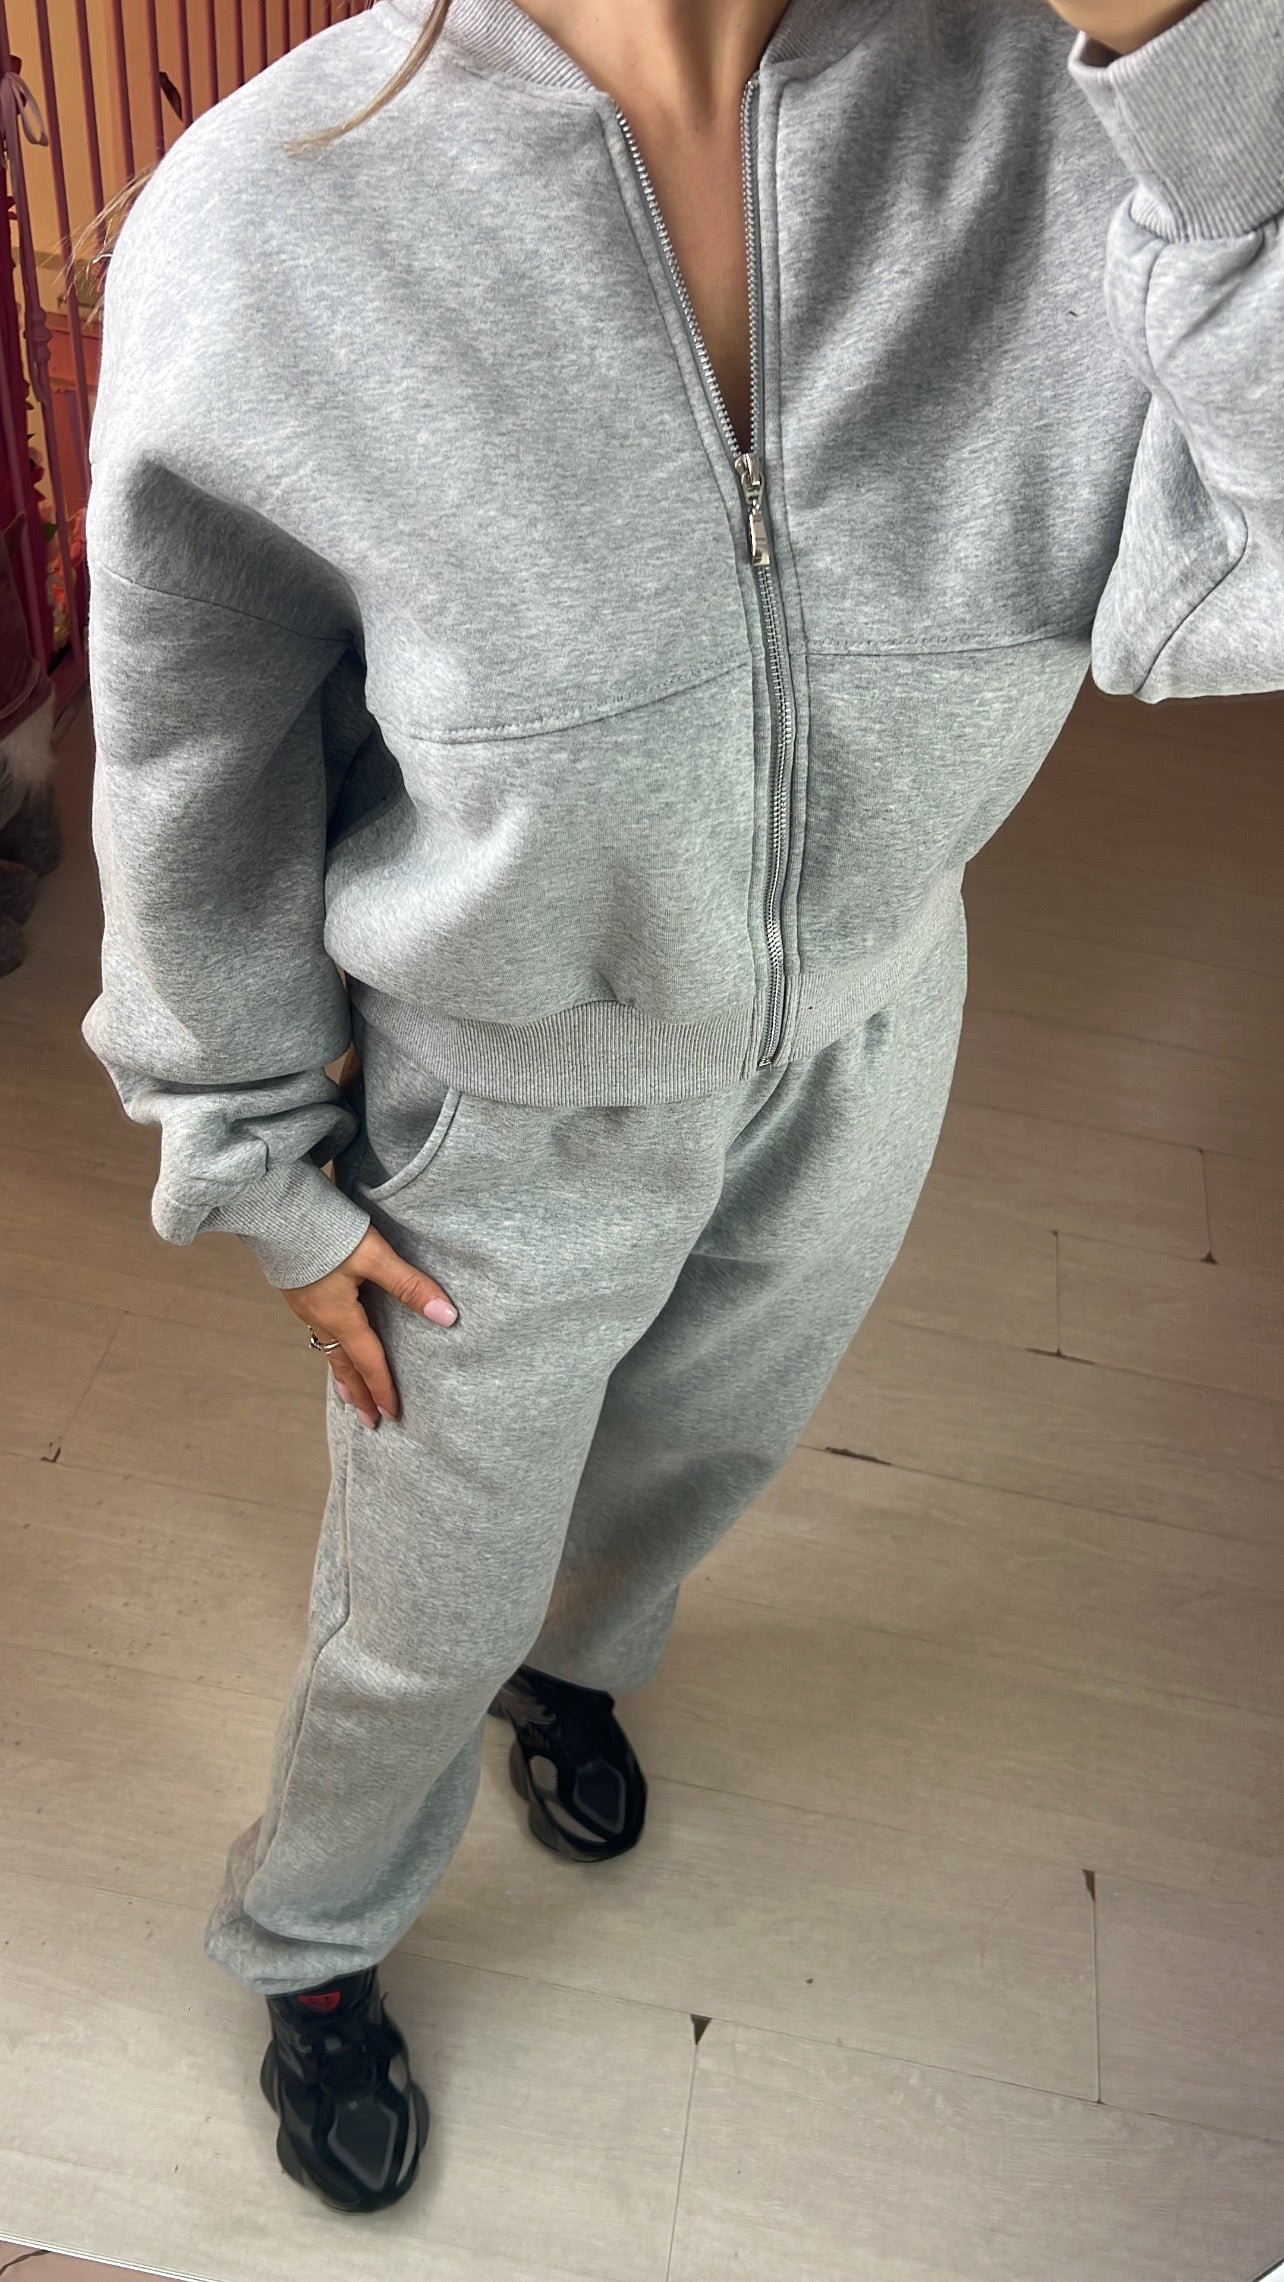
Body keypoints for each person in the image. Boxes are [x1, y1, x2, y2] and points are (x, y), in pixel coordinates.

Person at [76, 0, 1283, 2218]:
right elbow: (189, 755)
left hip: (870, 1032)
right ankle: (316, 1937)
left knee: (705, 1450)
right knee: (417, 1612)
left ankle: (582, 1670)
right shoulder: (272, 219)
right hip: (492, 1126)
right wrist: (248, 1152)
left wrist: (1201, 69)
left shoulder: (1082, 125)